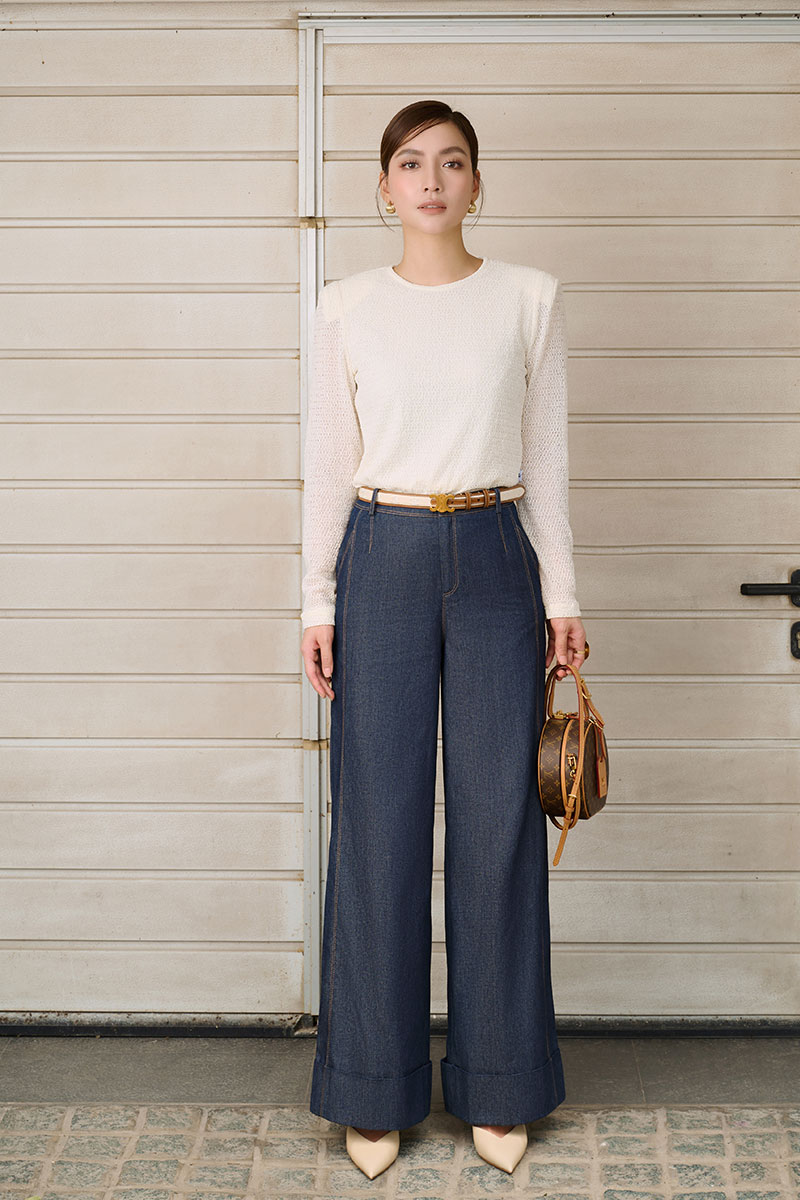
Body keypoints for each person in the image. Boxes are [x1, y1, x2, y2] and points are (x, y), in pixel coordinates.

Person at [300, 99, 587, 1179]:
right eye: (411, 163)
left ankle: (500, 1082)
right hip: (380, 553)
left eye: (452, 162)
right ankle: (371, 1089)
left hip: (496, 554)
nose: (431, 179)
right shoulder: (345, 306)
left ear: (477, 183)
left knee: (498, 822)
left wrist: (563, 595)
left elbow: (546, 457)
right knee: (375, 823)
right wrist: (315, 601)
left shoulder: (527, 298)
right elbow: (328, 462)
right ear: (383, 188)